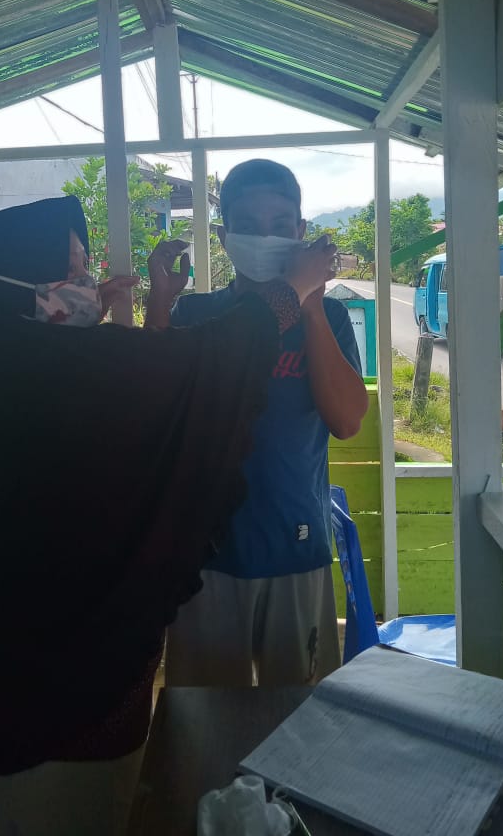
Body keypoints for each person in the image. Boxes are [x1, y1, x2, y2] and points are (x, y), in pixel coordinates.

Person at [0, 194, 335, 836]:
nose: (87, 284)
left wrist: (115, 317)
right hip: (40, 686)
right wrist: (291, 292)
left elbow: (137, 390)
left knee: (103, 810)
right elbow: (192, 367)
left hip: (60, 667)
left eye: (85, 270)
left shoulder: (4, 352)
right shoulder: (27, 370)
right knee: (49, 816)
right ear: (20, 284)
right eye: (71, 274)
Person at [146, 160, 369, 688]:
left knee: (301, 715)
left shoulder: (332, 320)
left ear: (301, 233)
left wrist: (310, 306)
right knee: (203, 717)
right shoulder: (196, 314)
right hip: (203, 555)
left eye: (279, 224)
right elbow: (153, 404)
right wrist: (159, 299)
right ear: (225, 239)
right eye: (247, 225)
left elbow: (345, 421)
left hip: (297, 544)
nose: (265, 237)